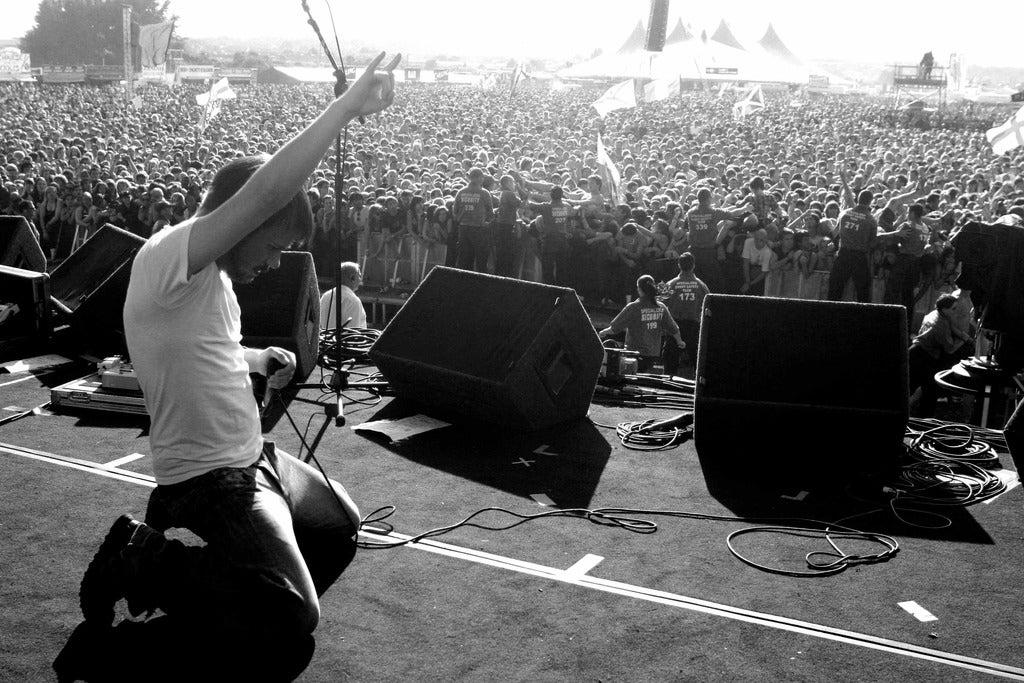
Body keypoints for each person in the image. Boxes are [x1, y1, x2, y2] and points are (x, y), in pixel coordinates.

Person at [58, 52, 401, 682]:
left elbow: (206, 350)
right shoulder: (171, 258)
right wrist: (345, 109)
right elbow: (269, 190)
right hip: (209, 478)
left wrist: (258, 358)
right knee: (294, 616)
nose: (272, 264)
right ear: (242, 219)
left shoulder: (212, 283)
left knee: (339, 528)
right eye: (272, 246)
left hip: (253, 459)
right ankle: (146, 560)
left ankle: (234, 600)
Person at [599, 274, 684, 373]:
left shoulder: (634, 307)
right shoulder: (661, 307)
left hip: (634, 355)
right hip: (653, 356)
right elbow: (674, 329)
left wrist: (602, 333)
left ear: (639, 289)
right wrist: (680, 342)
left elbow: (614, 328)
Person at [909, 293, 973, 417]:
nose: (955, 312)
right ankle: (924, 419)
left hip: (915, 351)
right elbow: (950, 349)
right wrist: (963, 341)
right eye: (953, 309)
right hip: (924, 357)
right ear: (944, 309)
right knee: (930, 391)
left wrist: (964, 337)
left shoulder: (934, 313)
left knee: (916, 387)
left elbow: (951, 327)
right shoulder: (940, 325)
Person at [662, 252, 709, 377]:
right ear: (693, 265)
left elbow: (660, 305)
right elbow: (709, 306)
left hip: (674, 327)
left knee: (670, 364)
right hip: (694, 327)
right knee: (698, 362)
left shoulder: (670, 284)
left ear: (679, 265)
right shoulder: (701, 285)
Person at [827, 190, 877, 302]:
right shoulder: (871, 220)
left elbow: (835, 233)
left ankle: (829, 310)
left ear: (858, 198)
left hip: (843, 254)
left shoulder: (844, 214)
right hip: (859, 257)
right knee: (863, 292)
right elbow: (873, 242)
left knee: (835, 288)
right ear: (870, 201)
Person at [453, 167, 494, 272]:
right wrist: (487, 223)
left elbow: (455, 211)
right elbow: (490, 213)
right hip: (478, 229)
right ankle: (480, 281)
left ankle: (465, 281)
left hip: (463, 229)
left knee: (464, 261)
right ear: (480, 178)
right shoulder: (484, 193)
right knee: (481, 260)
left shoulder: (461, 192)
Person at [320, 261, 367, 330]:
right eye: (359, 276)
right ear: (352, 278)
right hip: (344, 337)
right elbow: (354, 332)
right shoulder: (353, 301)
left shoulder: (325, 296)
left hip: (324, 336)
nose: (360, 280)